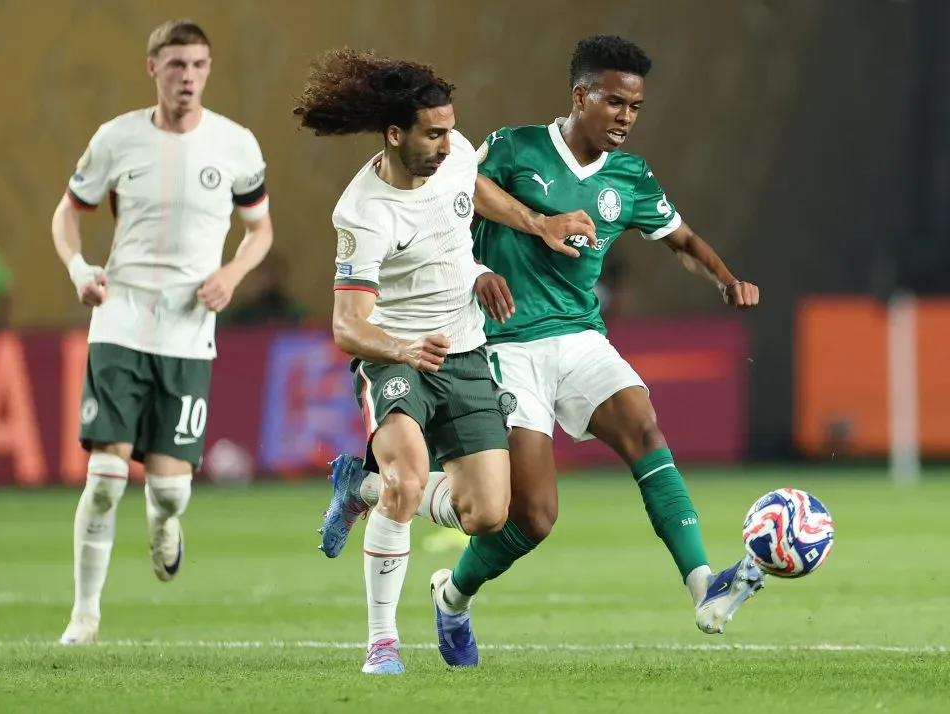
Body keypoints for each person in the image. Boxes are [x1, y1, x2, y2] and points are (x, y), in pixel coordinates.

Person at [319, 35, 764, 667]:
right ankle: (450, 595)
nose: (626, 118)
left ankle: (701, 584)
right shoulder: (508, 147)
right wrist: (478, 269)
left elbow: (681, 239)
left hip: (580, 336)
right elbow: (453, 217)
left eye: (635, 107)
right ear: (581, 96)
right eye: (614, 102)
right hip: (500, 344)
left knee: (642, 422)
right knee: (529, 516)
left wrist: (725, 277)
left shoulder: (628, 177)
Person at [292, 48, 593, 675]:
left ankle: (362, 485)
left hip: (465, 349)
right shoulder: (363, 212)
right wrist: (402, 349)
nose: (447, 143)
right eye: (432, 133)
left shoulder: (453, 152)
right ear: (395, 134)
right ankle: (382, 646)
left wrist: (536, 226)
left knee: (488, 514)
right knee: (409, 482)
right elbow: (348, 327)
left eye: (449, 128)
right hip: (395, 358)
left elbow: (474, 189)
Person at [51, 18, 273, 645]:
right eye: (176, 65)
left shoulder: (235, 145)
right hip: (119, 317)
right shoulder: (116, 139)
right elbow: (67, 216)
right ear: (154, 68)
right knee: (105, 477)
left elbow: (261, 230)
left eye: (198, 65)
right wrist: (77, 268)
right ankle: (85, 615)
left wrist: (232, 273)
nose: (187, 77)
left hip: (188, 328)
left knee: (171, 492)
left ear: (208, 70)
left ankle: (165, 524)